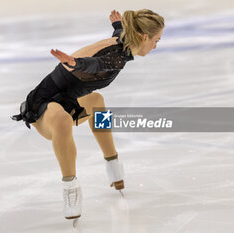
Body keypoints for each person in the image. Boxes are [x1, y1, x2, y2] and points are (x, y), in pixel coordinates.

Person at [12, 9, 165, 220]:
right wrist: (77, 64)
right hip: (43, 106)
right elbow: (98, 65)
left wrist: (118, 25)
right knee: (63, 119)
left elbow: (116, 41)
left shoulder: (123, 43)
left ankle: (113, 164)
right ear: (144, 37)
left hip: (67, 101)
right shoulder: (117, 58)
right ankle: (70, 188)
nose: (156, 46)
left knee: (96, 103)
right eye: (156, 40)